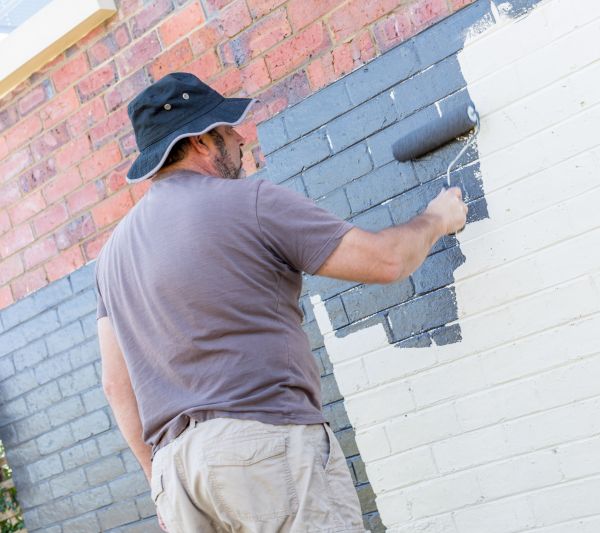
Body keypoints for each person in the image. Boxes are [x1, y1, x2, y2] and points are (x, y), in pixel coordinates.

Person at [96, 72, 467, 533]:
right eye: (228, 129)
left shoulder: (110, 257)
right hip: (262, 448)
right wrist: (436, 218)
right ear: (200, 141)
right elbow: (386, 261)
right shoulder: (248, 201)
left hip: (177, 477)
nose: (240, 139)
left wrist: (158, 479)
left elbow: (115, 385)